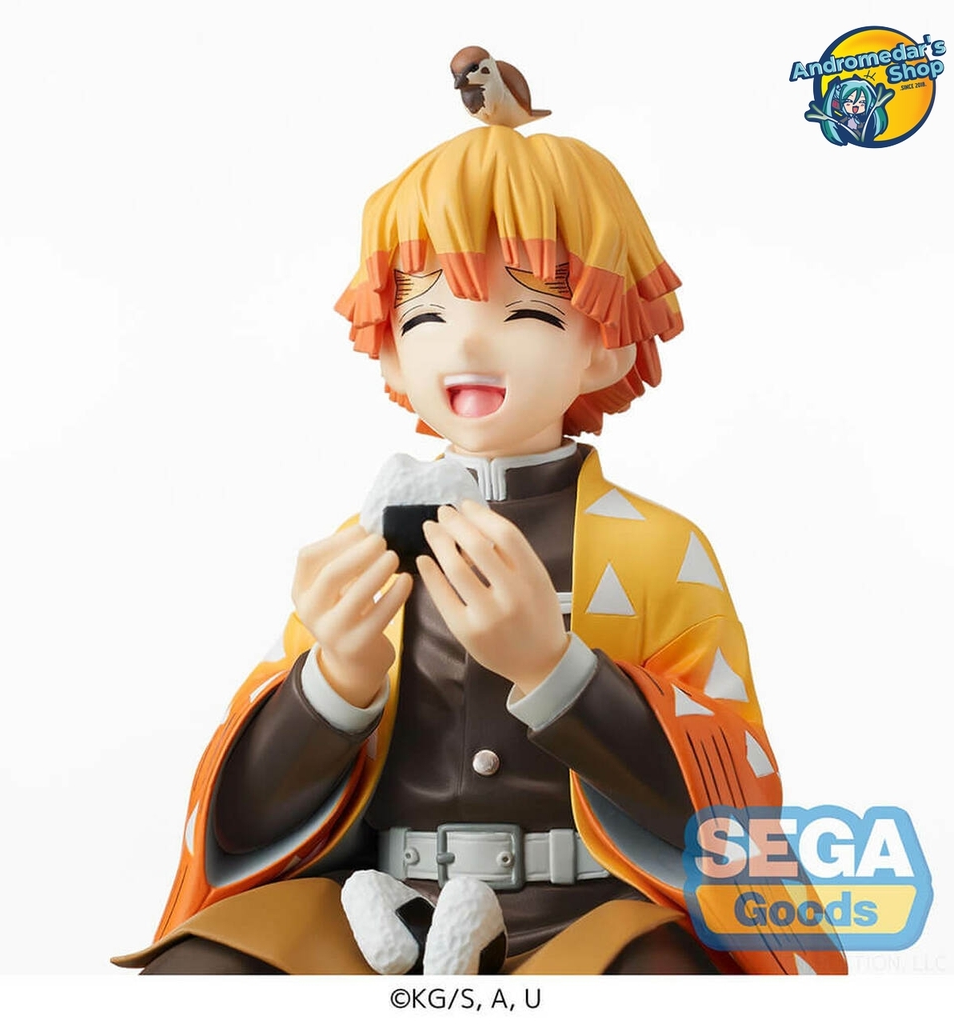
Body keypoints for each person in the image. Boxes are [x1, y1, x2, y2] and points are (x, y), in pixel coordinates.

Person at [114, 125, 846, 975]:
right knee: (197, 976)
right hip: (374, 913)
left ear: (604, 344)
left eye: (527, 312)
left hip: (592, 915)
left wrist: (556, 671)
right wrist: (334, 681)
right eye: (426, 314)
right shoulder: (357, 549)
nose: (465, 343)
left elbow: (732, 794)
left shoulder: (659, 552)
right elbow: (242, 818)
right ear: (390, 351)